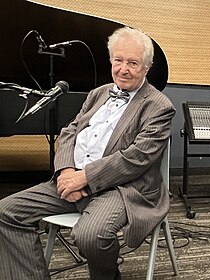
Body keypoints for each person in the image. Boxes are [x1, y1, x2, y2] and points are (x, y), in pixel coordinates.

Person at [0, 26, 175, 280]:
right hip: (73, 177)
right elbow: (69, 131)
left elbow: (137, 157)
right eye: (118, 60)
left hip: (123, 189)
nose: (123, 68)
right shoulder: (98, 93)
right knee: (7, 211)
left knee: (90, 235)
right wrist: (66, 171)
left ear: (146, 67)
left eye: (133, 63)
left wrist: (85, 178)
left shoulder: (159, 106)